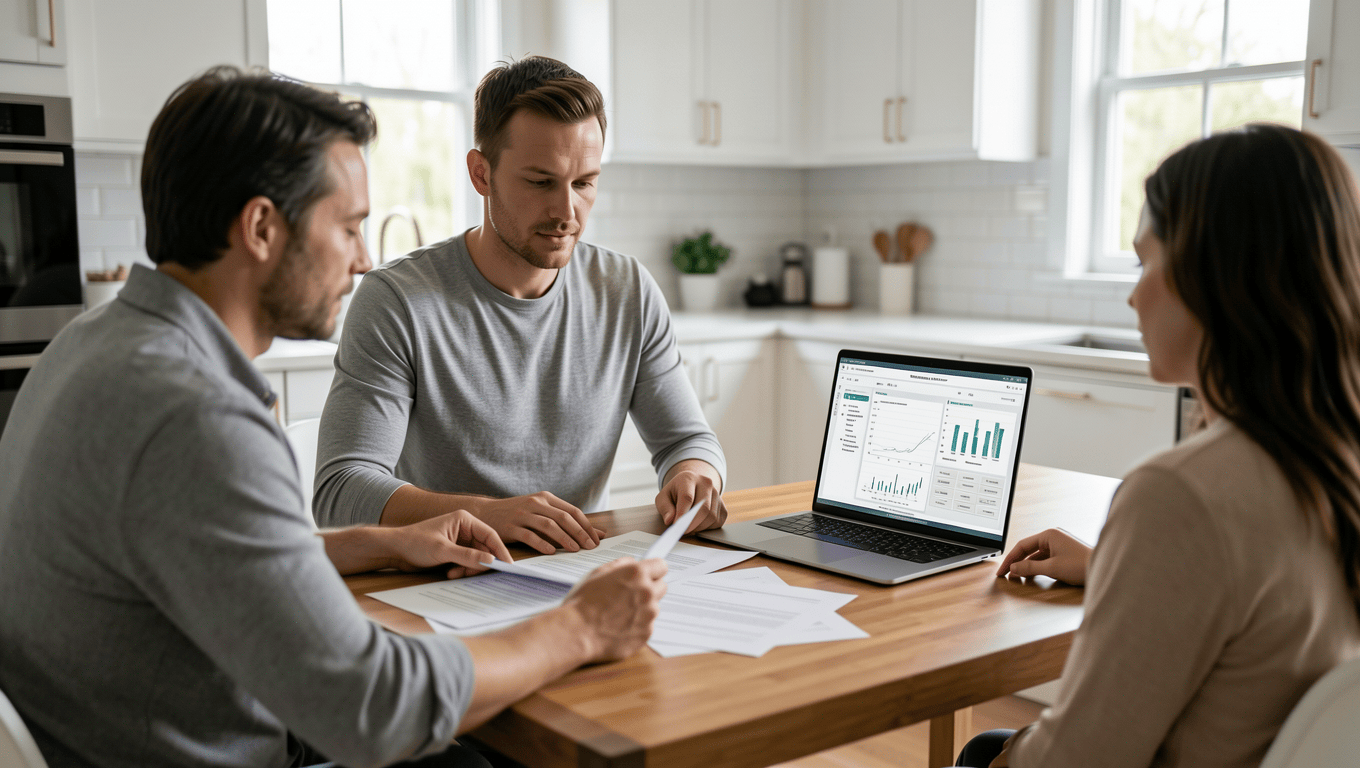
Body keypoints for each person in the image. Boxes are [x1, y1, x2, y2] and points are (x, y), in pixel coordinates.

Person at [0, 66, 667, 768]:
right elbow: (374, 710)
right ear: (261, 227)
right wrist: (579, 628)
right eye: (348, 226)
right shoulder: (194, 416)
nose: (364, 259)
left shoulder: (91, 344)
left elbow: (188, 560)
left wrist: (373, 544)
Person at [955, 124, 1360, 768]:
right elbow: (1274, 598)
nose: (1132, 294)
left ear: (1220, 274)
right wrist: (1115, 566)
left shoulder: (1181, 495)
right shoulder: (1328, 451)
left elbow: (1077, 761)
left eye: (1147, 262)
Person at [313, 56, 728, 552]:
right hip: (441, 578)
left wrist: (695, 476)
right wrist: (485, 515)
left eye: (584, 183)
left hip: (579, 570)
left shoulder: (627, 290)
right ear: (480, 173)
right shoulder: (396, 301)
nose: (566, 212)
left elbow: (687, 442)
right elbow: (341, 490)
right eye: (540, 182)